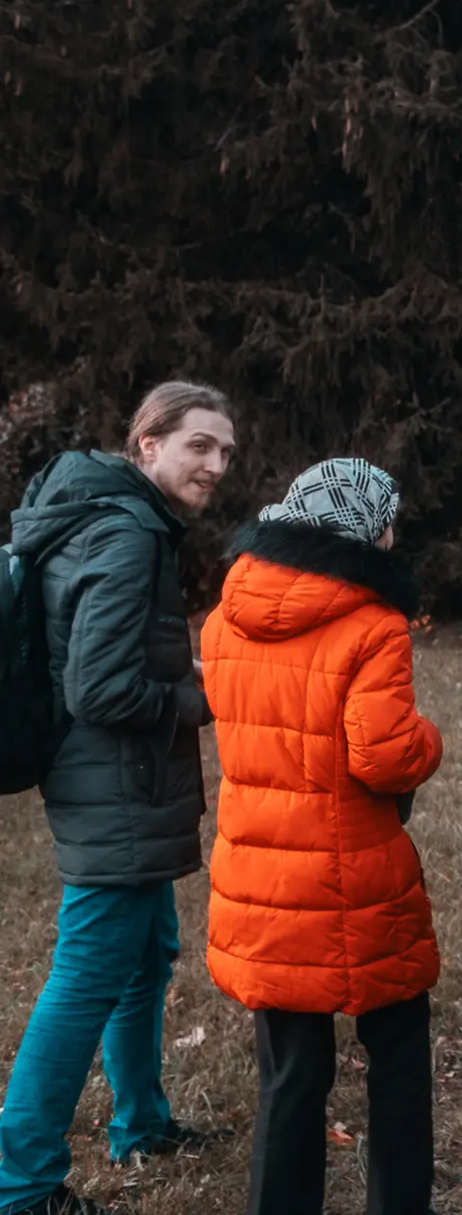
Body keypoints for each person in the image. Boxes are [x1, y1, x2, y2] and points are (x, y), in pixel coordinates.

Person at [0, 383, 238, 1215]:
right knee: (89, 973)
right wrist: (194, 698)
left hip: (105, 778)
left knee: (145, 955)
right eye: (199, 444)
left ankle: (140, 1121)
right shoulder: (129, 530)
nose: (216, 464)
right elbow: (100, 686)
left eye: (225, 451)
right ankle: (23, 1185)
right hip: (116, 785)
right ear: (147, 444)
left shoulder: (106, 514)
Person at [201, 458, 442, 1215]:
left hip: (260, 879)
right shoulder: (373, 624)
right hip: (356, 876)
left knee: (290, 1072)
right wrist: (429, 740)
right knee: (399, 1054)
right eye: (388, 517)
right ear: (363, 528)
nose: (395, 531)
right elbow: (382, 753)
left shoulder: (223, 616)